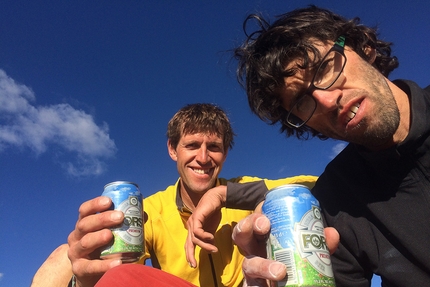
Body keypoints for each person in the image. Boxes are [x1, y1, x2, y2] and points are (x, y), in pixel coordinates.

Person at [187, 5, 430, 287]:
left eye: (325, 67)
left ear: (364, 46)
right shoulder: (335, 206)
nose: (327, 101)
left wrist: (222, 193)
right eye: (302, 101)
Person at [31, 103, 318, 287]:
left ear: (226, 153)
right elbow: (122, 272)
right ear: (173, 150)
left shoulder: (242, 189)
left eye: (214, 147)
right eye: (192, 145)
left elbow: (313, 185)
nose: (203, 158)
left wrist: (222, 195)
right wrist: (82, 281)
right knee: (66, 256)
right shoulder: (151, 210)